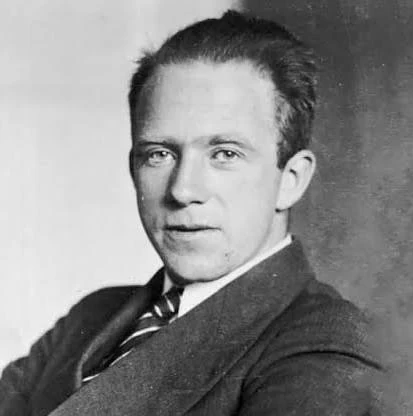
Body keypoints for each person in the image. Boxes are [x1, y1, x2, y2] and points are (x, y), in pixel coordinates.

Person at [0, 10, 382, 416]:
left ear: (291, 179)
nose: (183, 190)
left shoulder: (327, 343)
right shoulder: (93, 315)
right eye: (159, 154)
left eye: (225, 154)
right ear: (133, 168)